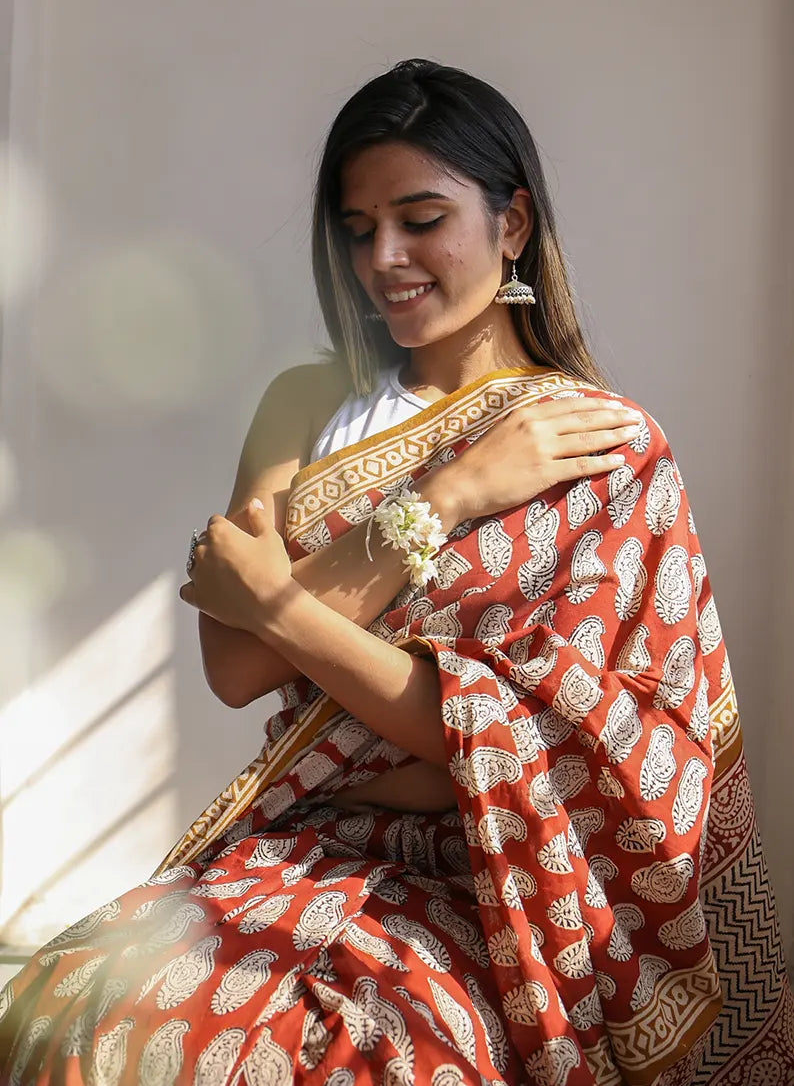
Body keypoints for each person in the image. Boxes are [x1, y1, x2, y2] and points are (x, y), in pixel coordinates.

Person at [1, 58, 791, 1086]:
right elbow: (236, 669)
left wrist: (282, 602)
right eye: (357, 226)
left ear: (509, 224)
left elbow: (521, 735)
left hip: (497, 890)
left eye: (420, 219)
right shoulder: (304, 402)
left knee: (330, 1056)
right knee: (78, 1004)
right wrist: (445, 499)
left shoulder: (600, 443)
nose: (384, 258)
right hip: (301, 846)